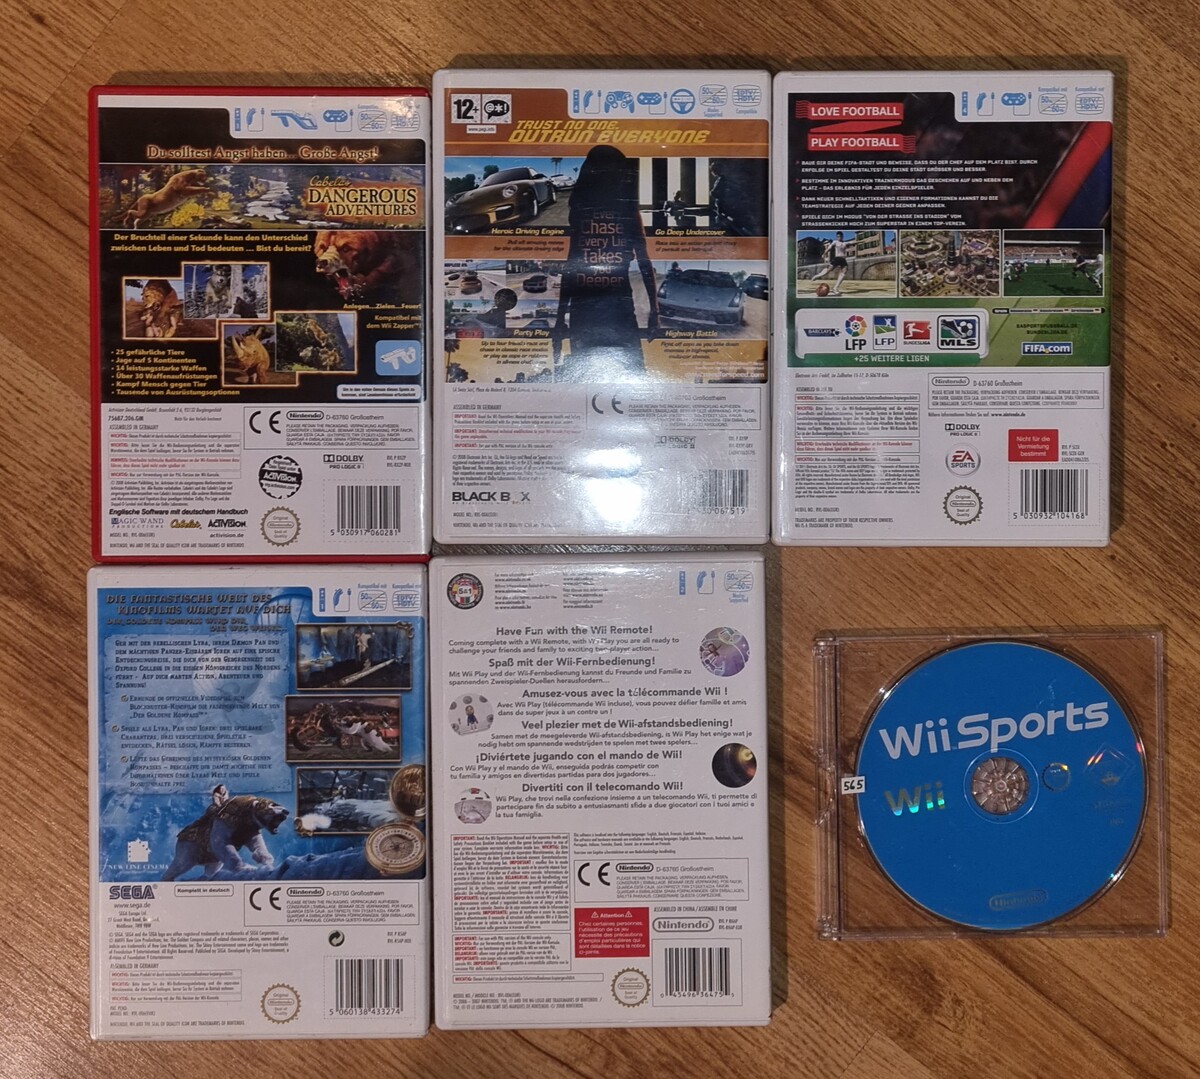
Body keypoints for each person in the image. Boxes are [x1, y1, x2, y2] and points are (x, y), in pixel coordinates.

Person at [554, 145, 658, 381]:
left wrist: (560, 320)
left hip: (597, 311)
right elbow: (643, 260)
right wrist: (654, 312)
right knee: (627, 377)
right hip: (610, 311)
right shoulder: (621, 208)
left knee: (594, 379)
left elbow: (572, 264)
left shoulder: (584, 208)